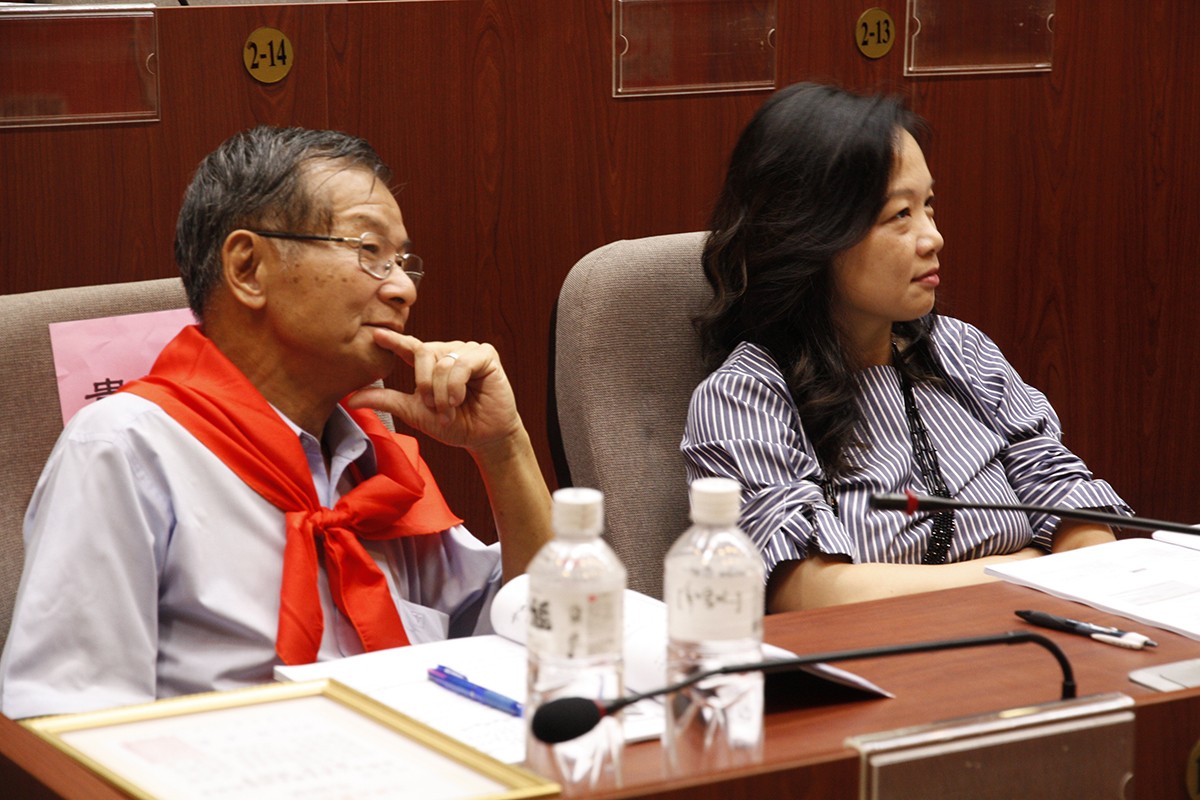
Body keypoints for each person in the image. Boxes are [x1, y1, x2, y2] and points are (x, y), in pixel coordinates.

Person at [0, 126, 552, 719]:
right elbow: (65, 720)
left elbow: (536, 628)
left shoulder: (372, 459)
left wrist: (504, 447)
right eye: (369, 251)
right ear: (248, 268)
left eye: (401, 261)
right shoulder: (125, 449)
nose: (401, 289)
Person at [682, 82, 1130, 612]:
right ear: (813, 233)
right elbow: (807, 593)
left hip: (1033, 635)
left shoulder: (962, 351)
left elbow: (1070, 501)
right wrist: (1031, 568)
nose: (932, 237)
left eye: (929, 205)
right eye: (900, 214)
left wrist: (1071, 561)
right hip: (880, 655)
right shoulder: (744, 397)